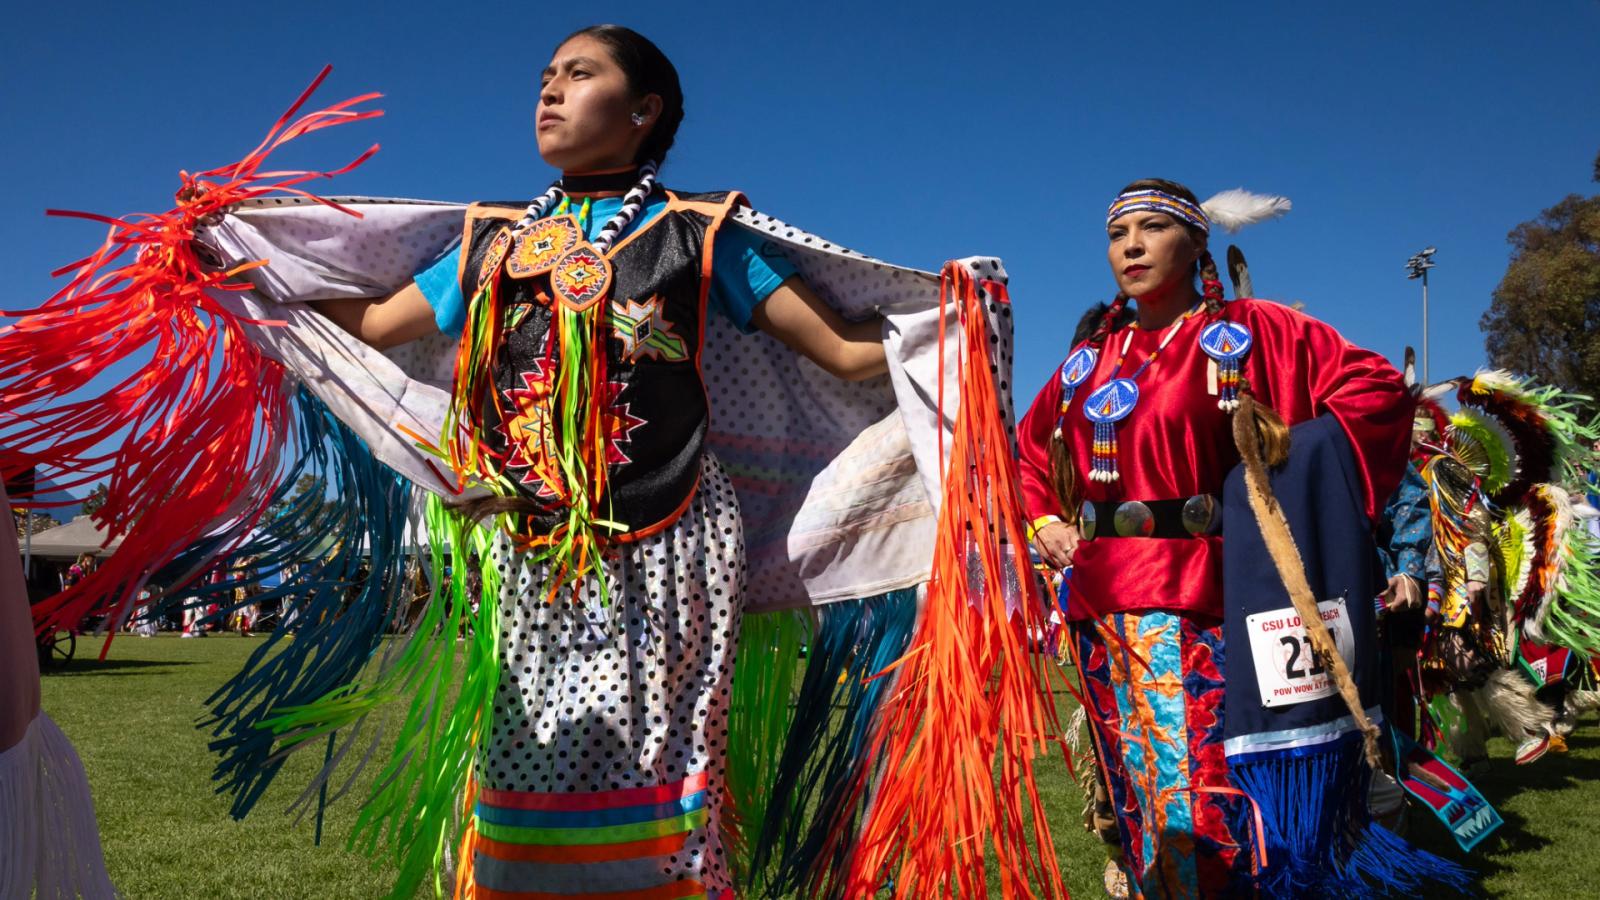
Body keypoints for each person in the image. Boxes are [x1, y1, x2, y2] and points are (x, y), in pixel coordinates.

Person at [304, 25, 887, 898]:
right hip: (536, 545)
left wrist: (951, 316)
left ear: (644, 110)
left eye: (580, 75)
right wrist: (246, 270)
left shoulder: (698, 233)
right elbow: (382, 323)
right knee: (527, 751)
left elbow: (841, 352)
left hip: (668, 538)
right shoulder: (496, 241)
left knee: (651, 761)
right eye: (545, 76)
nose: (549, 91)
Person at [1018, 179, 1421, 895]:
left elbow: (1376, 389)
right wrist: (1046, 519)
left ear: (1197, 240)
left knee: (1201, 788)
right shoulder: (1090, 361)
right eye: (1118, 234)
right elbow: (1024, 452)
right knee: (1139, 789)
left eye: (1151, 229)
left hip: (1201, 596)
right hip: (1098, 604)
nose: (1132, 246)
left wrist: (1272, 495)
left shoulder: (1250, 330)